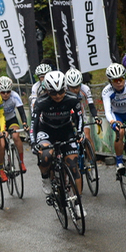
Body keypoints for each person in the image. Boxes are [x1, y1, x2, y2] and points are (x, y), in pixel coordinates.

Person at [29, 71, 84, 209]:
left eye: (61, 91)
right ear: (47, 91)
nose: (58, 96)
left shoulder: (72, 98)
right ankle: (45, 177)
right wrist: (34, 142)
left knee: (73, 166)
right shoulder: (41, 102)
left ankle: (78, 203)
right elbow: (33, 125)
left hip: (65, 131)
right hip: (46, 131)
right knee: (46, 155)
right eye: (54, 93)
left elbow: (79, 118)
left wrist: (79, 132)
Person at [101, 63, 126, 175]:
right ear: (111, 81)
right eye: (116, 80)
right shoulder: (107, 91)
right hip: (117, 115)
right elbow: (107, 110)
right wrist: (112, 122)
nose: (119, 82)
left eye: (121, 79)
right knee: (120, 132)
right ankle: (119, 161)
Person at [0, 76, 28, 173]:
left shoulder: (15, 96)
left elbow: (21, 111)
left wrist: (25, 123)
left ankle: (21, 162)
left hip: (11, 119)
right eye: (3, 92)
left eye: (8, 92)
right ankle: (3, 163)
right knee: (1, 143)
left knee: (15, 136)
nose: (5, 94)